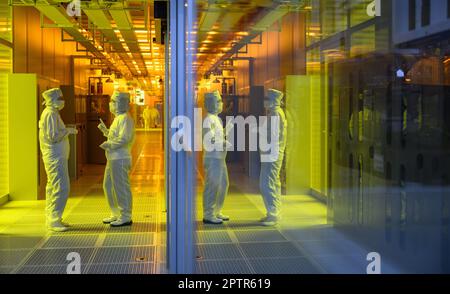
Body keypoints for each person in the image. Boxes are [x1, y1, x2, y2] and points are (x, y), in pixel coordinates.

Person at [39, 88, 78, 232]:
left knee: (53, 187)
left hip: (57, 156)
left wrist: (66, 130)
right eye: (59, 98)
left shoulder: (54, 113)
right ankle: (54, 220)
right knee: (61, 187)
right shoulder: (49, 114)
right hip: (54, 157)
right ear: (52, 100)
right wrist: (67, 131)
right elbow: (53, 137)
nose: (62, 100)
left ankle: (52, 217)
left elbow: (54, 133)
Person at [98, 92, 135, 227]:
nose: (111, 104)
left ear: (122, 103)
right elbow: (116, 136)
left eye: (114, 102)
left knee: (121, 187)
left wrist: (109, 144)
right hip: (112, 157)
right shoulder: (118, 118)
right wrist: (106, 132)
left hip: (120, 158)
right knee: (108, 186)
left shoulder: (125, 118)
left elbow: (124, 138)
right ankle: (115, 213)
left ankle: (125, 215)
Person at [259, 89, 287, 226]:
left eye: (267, 98)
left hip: (272, 153)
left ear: (274, 100)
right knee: (273, 183)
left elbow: (272, 136)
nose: (265, 101)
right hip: (271, 153)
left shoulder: (276, 114)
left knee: (266, 183)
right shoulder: (274, 113)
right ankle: (273, 212)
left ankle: (273, 214)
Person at [202, 90, 230, 224]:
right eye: (218, 101)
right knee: (212, 186)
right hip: (213, 158)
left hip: (220, 158)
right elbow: (209, 140)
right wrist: (223, 143)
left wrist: (226, 134)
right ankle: (208, 213)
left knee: (223, 184)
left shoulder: (216, 119)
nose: (221, 103)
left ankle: (216, 211)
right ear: (210, 104)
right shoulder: (208, 119)